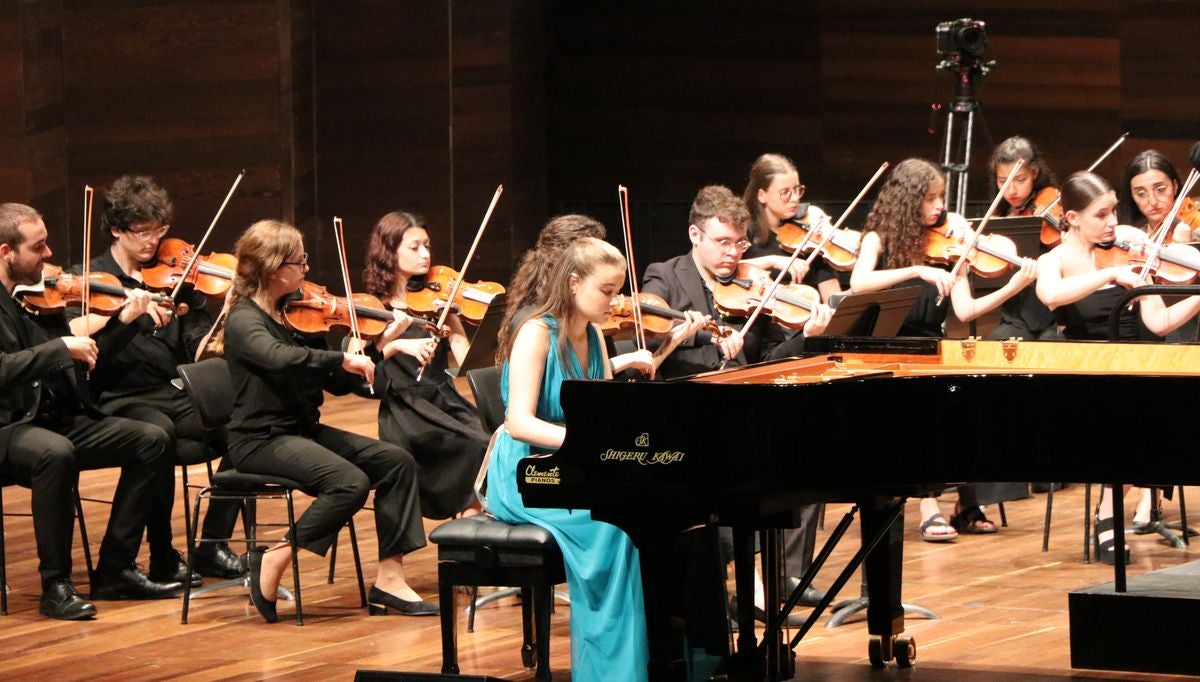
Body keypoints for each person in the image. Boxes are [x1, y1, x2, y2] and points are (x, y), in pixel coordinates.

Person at [217, 219, 436, 621]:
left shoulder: (299, 316)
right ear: (272, 268)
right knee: (348, 482)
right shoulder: (244, 321)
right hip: (258, 441)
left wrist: (377, 346)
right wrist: (341, 357)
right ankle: (273, 559)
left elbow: (337, 383)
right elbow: (278, 358)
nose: (306, 271)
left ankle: (390, 580)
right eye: (299, 263)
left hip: (302, 432)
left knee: (395, 462)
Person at [641, 185, 833, 617]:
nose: (733, 253)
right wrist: (680, 333)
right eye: (722, 242)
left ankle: (778, 579)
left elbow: (768, 359)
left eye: (740, 243)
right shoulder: (666, 276)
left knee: (808, 462)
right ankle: (734, 587)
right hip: (685, 412)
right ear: (695, 236)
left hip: (745, 408)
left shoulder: (754, 288)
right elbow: (647, 339)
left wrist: (806, 337)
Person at [0, 202, 180, 615]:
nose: (49, 256)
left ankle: (116, 568)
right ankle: (56, 586)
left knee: (151, 439)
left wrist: (126, 321)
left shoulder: (39, 299)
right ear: (6, 252)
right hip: (9, 426)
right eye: (38, 247)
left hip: (56, 418)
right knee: (54, 453)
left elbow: (85, 361)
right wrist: (58, 347)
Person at [849, 158, 1038, 541]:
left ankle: (965, 503)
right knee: (917, 411)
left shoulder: (951, 241)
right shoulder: (878, 238)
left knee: (966, 403)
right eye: (930, 198)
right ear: (907, 200)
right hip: (885, 347)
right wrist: (916, 270)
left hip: (931, 344)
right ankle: (928, 505)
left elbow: (965, 310)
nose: (939, 206)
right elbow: (858, 283)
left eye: (941, 197)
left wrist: (1013, 287)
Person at [488, 237, 648, 682]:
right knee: (613, 529)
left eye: (617, 291)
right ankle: (611, 673)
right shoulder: (536, 333)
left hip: (574, 465)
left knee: (650, 514)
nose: (614, 301)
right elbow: (519, 422)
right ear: (574, 283)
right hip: (526, 471)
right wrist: (581, 443)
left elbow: (606, 414)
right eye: (607, 290)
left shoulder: (595, 335)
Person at [67, 176, 243, 582]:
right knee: (157, 434)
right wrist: (128, 317)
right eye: (142, 232)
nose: (152, 242)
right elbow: (87, 351)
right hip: (113, 397)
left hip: (170, 392)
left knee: (246, 420)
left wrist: (227, 313)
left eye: (158, 230)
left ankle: (213, 544)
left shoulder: (174, 276)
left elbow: (200, 350)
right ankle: (159, 553)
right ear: (115, 228)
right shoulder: (91, 280)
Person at [1036, 171, 1200, 563]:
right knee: (1131, 418)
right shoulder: (1053, 260)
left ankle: (1108, 510)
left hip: (1134, 365)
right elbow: (1050, 296)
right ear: (1073, 217)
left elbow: (1159, 324)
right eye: (1102, 214)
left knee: (1161, 415)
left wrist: (1198, 296)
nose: (1114, 222)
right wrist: (1107, 274)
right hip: (1087, 375)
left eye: (1114, 211)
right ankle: (1110, 512)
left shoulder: (1132, 252)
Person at [362, 210, 485, 520]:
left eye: (427, 245)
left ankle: (469, 536)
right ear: (389, 251)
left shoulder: (436, 301)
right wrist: (393, 341)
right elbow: (362, 365)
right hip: (406, 410)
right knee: (476, 446)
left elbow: (467, 362)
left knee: (494, 443)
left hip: (445, 401)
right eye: (414, 247)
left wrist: (453, 323)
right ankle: (466, 536)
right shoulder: (373, 307)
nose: (426, 255)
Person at [985, 136, 1062, 341]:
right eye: (1003, 181)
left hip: (1054, 314)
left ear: (1034, 173)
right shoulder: (999, 217)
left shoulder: (1050, 201)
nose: (1011, 190)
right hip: (1016, 315)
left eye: (1020, 180)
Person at [742, 152, 843, 302]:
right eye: (785, 193)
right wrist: (772, 261)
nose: (795, 198)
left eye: (797, 190)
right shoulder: (745, 232)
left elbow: (833, 298)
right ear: (762, 195)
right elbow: (724, 272)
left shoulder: (809, 237)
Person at [1120, 149, 1200, 244]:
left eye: (1160, 190)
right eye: (1141, 194)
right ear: (1132, 196)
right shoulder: (1134, 240)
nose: (1153, 201)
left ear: (1175, 186)